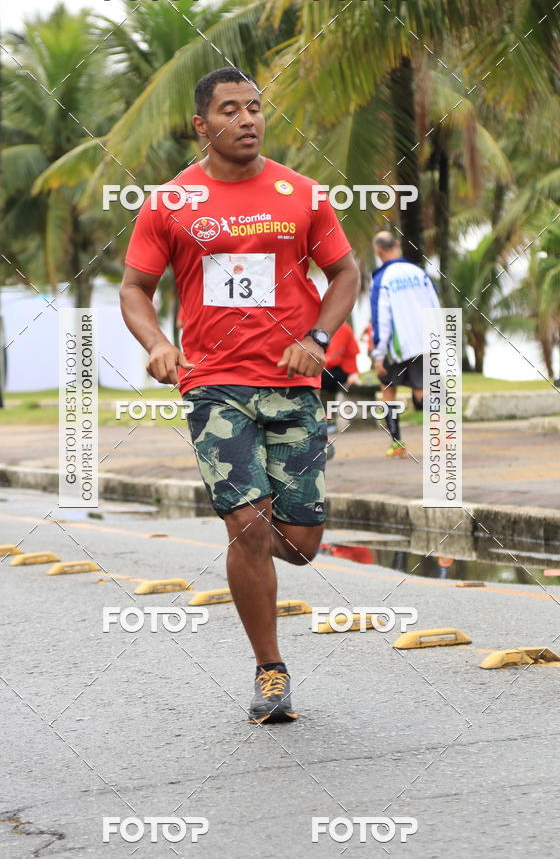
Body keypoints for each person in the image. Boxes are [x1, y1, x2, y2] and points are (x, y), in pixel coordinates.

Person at [120, 67, 359, 723]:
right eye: (230, 109)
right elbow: (135, 288)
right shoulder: (171, 202)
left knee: (301, 542)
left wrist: (317, 336)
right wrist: (157, 344)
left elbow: (345, 272)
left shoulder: (301, 193)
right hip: (214, 384)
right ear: (202, 125)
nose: (248, 119)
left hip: (292, 381)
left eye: (254, 107)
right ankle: (270, 669)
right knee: (248, 525)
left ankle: (252, 529)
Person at [370, 231, 439, 458]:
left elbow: (381, 318)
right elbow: (435, 303)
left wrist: (378, 353)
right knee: (423, 390)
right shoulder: (419, 272)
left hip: (396, 346)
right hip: (424, 341)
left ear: (378, 251)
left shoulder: (382, 279)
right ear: (397, 244)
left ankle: (398, 445)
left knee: (388, 390)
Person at [321, 321, 360, 435]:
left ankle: (328, 420)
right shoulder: (334, 325)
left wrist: (318, 364)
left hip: (346, 372)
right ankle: (327, 419)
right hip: (337, 370)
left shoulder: (340, 327)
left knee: (320, 378)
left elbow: (335, 356)